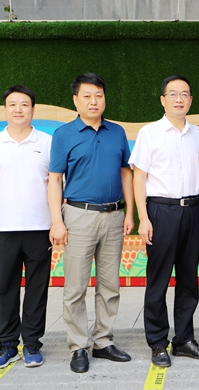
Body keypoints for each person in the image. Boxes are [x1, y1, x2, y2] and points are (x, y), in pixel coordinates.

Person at [48, 73, 135, 373]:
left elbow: (126, 174)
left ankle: (103, 341)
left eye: (98, 95)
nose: (93, 101)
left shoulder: (117, 132)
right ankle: (78, 346)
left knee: (110, 285)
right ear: (76, 100)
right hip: (78, 216)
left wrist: (130, 213)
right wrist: (57, 221)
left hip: (114, 216)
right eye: (87, 96)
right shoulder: (63, 134)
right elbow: (55, 180)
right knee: (76, 286)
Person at [130, 75, 199, 368]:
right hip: (161, 212)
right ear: (163, 100)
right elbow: (138, 178)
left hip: (193, 211)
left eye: (184, 94)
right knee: (159, 280)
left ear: (191, 100)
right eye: (173, 94)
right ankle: (157, 343)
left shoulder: (198, 135)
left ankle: (184, 340)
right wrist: (143, 218)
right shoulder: (149, 133)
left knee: (189, 280)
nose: (179, 99)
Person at [0, 85, 52, 369]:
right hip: (4, 229)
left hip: (40, 228)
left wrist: (57, 223)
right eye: (12, 104)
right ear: (4, 109)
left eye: (24, 104)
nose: (18, 109)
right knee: (6, 288)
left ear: (33, 109)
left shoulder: (47, 142)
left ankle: (31, 344)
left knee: (37, 289)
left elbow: (57, 185)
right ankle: (7, 345)